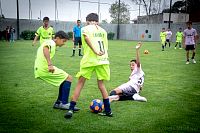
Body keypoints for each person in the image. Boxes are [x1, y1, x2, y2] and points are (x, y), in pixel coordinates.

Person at [65, 13, 112, 119]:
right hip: (103, 60)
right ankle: (108, 110)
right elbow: (106, 46)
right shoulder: (103, 31)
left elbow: (86, 38)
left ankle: (71, 109)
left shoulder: (85, 28)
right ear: (97, 21)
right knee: (101, 85)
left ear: (87, 21)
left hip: (90, 60)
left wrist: (95, 51)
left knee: (80, 84)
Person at [34, 31, 79, 111]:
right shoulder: (51, 42)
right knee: (69, 78)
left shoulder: (51, 43)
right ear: (57, 38)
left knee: (65, 78)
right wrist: (50, 64)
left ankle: (58, 103)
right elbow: (45, 49)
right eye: (63, 41)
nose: (63, 43)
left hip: (41, 68)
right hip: (44, 68)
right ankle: (63, 103)